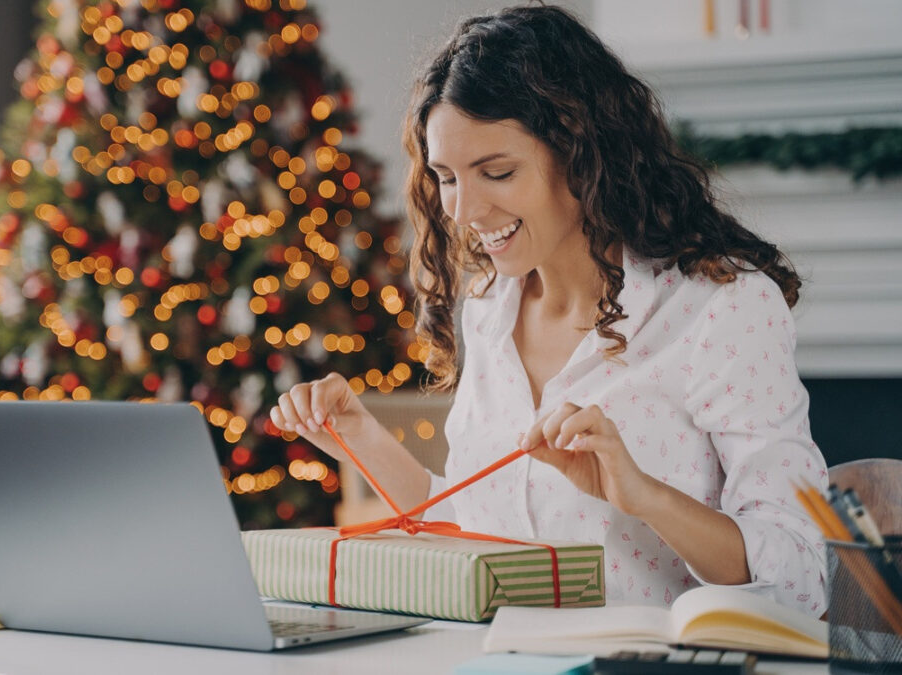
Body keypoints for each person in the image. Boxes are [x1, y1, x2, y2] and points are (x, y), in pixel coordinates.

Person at [270, 5, 827, 615]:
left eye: (498, 172)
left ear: (586, 156)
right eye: (447, 177)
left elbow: (801, 577)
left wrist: (643, 495)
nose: (461, 212)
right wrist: (358, 436)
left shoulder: (721, 307)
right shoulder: (487, 307)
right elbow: (471, 527)